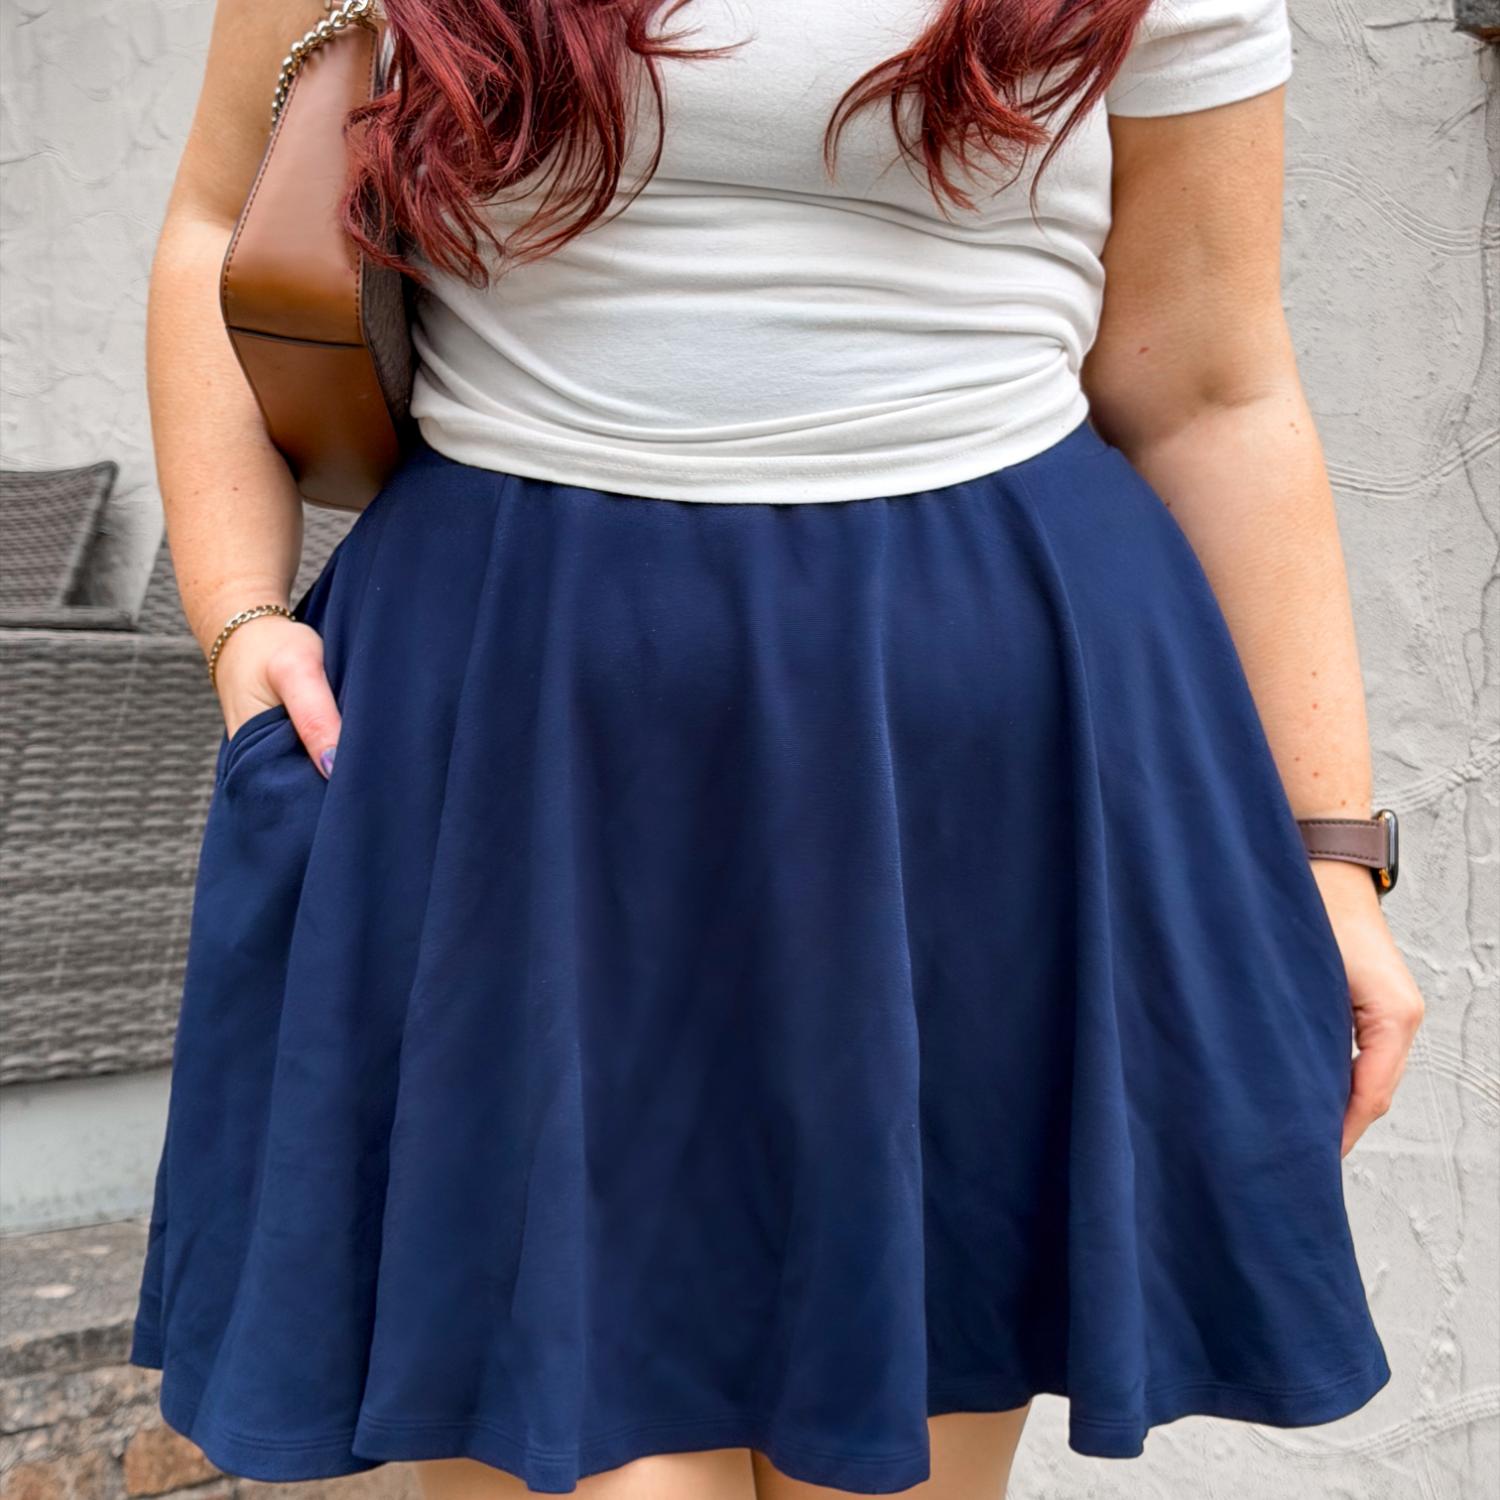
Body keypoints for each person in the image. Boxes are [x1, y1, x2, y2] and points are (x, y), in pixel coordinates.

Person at [129, 2, 1426, 1496]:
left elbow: (1210, 382)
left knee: (891, 1467)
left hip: (963, 761)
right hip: (520, 733)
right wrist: (237, 620)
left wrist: (1333, 851)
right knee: (557, 1450)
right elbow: (217, 225)